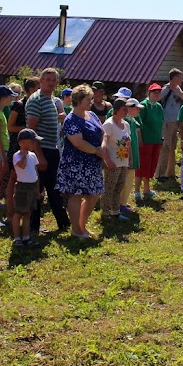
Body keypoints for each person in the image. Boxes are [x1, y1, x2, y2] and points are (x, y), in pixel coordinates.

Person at [57, 85, 106, 238]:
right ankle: (76, 229)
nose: (91, 102)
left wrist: (102, 147)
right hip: (75, 164)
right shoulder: (70, 120)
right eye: (88, 99)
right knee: (76, 195)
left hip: (93, 163)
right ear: (78, 100)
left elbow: (103, 133)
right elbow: (78, 142)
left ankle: (82, 225)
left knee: (94, 194)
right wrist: (97, 151)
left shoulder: (91, 114)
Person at [27, 68, 70, 232]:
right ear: (41, 81)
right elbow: (31, 131)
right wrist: (39, 155)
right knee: (39, 189)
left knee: (52, 188)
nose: (51, 83)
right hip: (41, 150)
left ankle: (61, 223)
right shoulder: (36, 100)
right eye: (48, 80)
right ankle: (34, 226)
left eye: (54, 80)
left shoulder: (51, 100)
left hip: (52, 149)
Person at [10, 129, 45, 247]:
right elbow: (22, 166)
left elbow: (35, 173)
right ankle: (16, 238)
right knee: (19, 213)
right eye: (32, 142)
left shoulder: (33, 155)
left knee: (28, 213)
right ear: (22, 142)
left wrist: (38, 189)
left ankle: (26, 236)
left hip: (32, 186)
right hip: (22, 187)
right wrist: (23, 156)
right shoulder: (17, 156)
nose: (34, 144)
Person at [101, 98, 133, 222]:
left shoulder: (126, 124)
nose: (126, 112)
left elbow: (128, 143)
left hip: (123, 162)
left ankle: (115, 211)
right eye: (124, 109)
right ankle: (105, 213)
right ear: (116, 110)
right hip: (112, 162)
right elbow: (103, 143)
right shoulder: (109, 124)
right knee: (109, 188)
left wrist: (130, 158)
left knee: (119, 187)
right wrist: (107, 160)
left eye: (127, 109)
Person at [156, 69, 183, 181]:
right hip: (167, 121)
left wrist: (178, 91)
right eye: (180, 77)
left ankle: (170, 172)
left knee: (173, 147)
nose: (182, 79)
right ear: (174, 78)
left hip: (176, 121)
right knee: (166, 146)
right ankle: (160, 174)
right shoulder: (166, 89)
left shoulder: (178, 88)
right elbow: (157, 98)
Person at [136, 84, 164, 199]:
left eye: (158, 92)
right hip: (145, 140)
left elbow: (161, 124)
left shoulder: (158, 107)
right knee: (142, 165)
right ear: (149, 93)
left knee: (151, 166)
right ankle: (137, 190)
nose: (156, 94)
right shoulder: (143, 106)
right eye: (154, 92)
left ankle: (146, 189)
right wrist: (140, 140)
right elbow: (138, 124)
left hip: (155, 140)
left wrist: (161, 138)